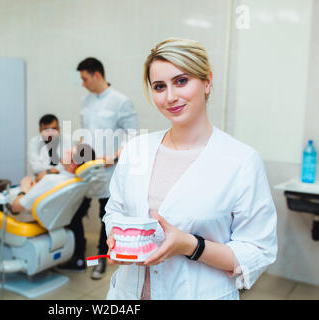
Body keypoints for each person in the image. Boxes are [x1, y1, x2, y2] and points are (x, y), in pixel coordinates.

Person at [103, 38, 277, 300]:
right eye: (159, 87)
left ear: (207, 82)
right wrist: (117, 236)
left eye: (181, 81)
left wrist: (191, 246)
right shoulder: (136, 149)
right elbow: (114, 211)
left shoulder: (241, 161)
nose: (170, 97)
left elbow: (258, 249)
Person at [58, 58, 138, 280]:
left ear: (97, 75)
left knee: (106, 217)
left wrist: (113, 157)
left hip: (108, 170)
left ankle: (100, 260)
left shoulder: (121, 102)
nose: (82, 83)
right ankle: (78, 256)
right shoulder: (86, 101)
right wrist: (76, 151)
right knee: (75, 210)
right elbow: (85, 132)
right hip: (86, 167)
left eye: (85, 78)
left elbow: (133, 136)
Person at [10, 143, 95, 222]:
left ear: (73, 165)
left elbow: (15, 208)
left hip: (26, 216)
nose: (65, 151)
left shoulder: (51, 180)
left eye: (69, 152)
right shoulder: (79, 183)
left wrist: (24, 189)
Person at [28, 114, 73, 182]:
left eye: (54, 129)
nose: (50, 133)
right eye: (46, 130)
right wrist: (60, 166)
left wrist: (49, 171)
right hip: (42, 180)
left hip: (65, 179)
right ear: (40, 130)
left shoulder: (68, 139)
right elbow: (35, 168)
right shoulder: (34, 142)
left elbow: (71, 163)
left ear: (58, 129)